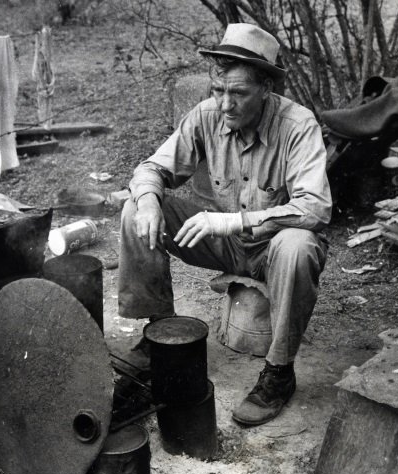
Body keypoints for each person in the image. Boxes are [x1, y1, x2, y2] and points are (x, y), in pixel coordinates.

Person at [118, 23, 332, 426]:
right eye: (218, 90)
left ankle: (279, 373)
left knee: (299, 244)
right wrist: (147, 201)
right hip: (226, 246)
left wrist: (233, 220)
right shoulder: (207, 115)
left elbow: (316, 208)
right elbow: (152, 168)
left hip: (273, 248)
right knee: (136, 208)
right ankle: (160, 334)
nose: (225, 104)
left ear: (266, 89)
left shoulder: (298, 125)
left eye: (238, 93)